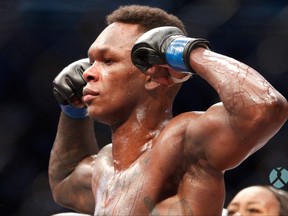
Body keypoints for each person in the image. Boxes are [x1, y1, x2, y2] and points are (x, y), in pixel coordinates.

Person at [49, 5, 288, 216]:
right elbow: (64, 182)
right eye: (91, 62)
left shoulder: (181, 142)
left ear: (153, 75)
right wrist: (72, 111)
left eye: (108, 61)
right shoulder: (104, 166)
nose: (87, 73)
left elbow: (264, 108)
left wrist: (187, 52)